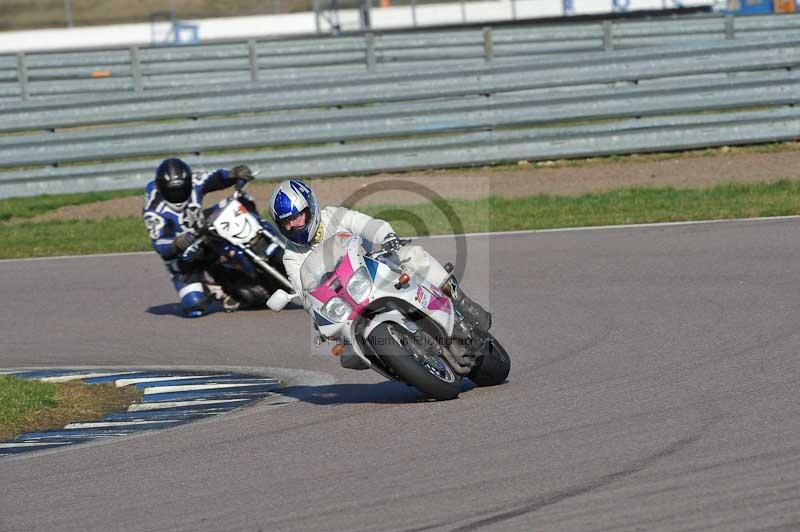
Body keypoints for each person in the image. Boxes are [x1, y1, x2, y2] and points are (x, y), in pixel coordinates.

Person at [268, 179, 491, 333]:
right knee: (347, 354)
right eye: (285, 222)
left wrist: (387, 236)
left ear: (310, 207)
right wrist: (315, 311)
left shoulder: (334, 216)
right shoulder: (291, 255)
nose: (292, 225)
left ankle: (460, 301)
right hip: (347, 299)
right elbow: (304, 293)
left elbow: (368, 225)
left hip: (378, 268)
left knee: (414, 255)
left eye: (296, 216)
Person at [142, 157, 254, 317]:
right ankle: (216, 290)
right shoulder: (153, 209)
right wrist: (175, 243)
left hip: (205, 232)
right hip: (182, 258)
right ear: (162, 188)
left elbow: (214, 178)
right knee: (195, 305)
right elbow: (158, 242)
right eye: (173, 191)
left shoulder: (194, 181)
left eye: (182, 189)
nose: (179, 194)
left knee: (238, 207)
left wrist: (233, 173)